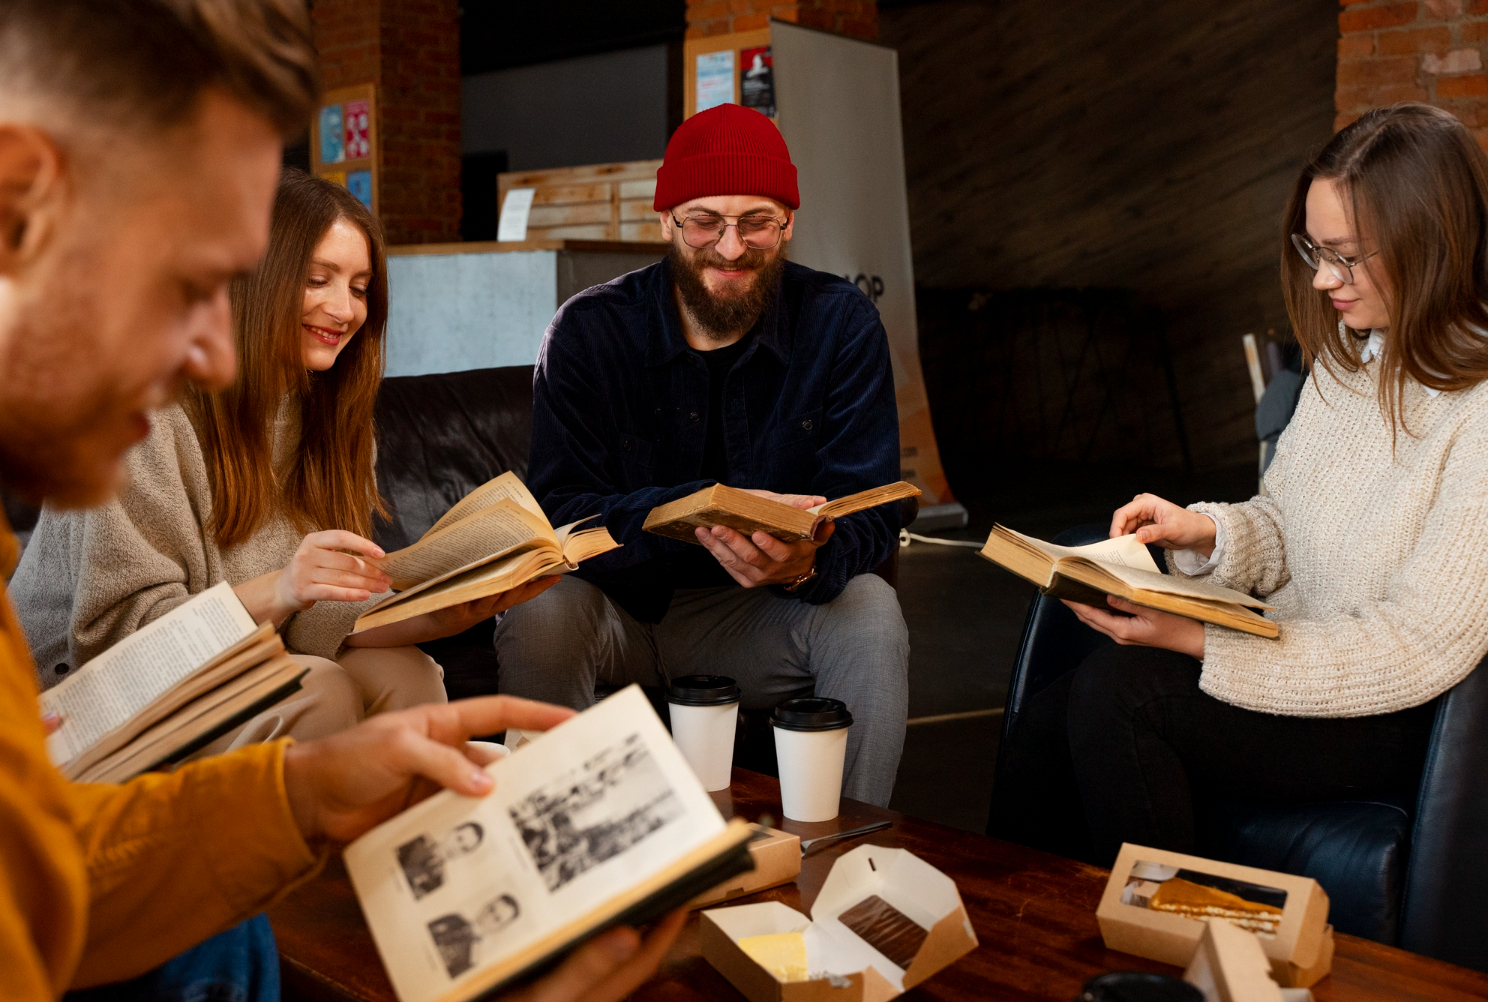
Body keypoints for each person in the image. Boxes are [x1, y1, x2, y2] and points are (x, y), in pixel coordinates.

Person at [0, 2, 681, 999]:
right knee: (314, 704)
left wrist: (304, 791)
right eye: (193, 283)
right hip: (128, 703)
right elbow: (111, 665)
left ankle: (391, 916)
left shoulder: (317, 415)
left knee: (387, 695)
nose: (219, 354)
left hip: (179, 774)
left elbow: (47, 894)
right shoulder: (154, 429)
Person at [998, 103, 1488, 865]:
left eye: (1349, 255)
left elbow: (1417, 647)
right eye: (1315, 248)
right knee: (1051, 717)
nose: (1325, 278)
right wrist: (1207, 533)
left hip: (1388, 709)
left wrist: (1200, 642)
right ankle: (1016, 952)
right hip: (1292, 662)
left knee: (1120, 697)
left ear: (1431, 243)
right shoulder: (1351, 356)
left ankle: (1161, 974)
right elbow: (1287, 522)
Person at [11, 169, 553, 744]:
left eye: (360, 288)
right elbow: (118, 640)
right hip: (78, 698)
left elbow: (317, 612)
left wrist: (452, 611)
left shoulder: (330, 413)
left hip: (243, 650)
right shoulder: (143, 409)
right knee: (317, 689)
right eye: (317, 279)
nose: (343, 310)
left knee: (408, 675)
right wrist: (283, 590)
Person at [493, 103, 910, 807]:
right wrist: (674, 513)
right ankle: (554, 845)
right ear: (665, 222)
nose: (730, 247)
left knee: (870, 610)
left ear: (789, 224)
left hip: (759, 615)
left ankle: (843, 850)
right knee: (538, 610)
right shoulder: (589, 332)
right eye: (703, 222)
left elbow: (869, 505)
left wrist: (810, 555)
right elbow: (559, 510)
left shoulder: (841, 324)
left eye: (757, 222)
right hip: (616, 609)